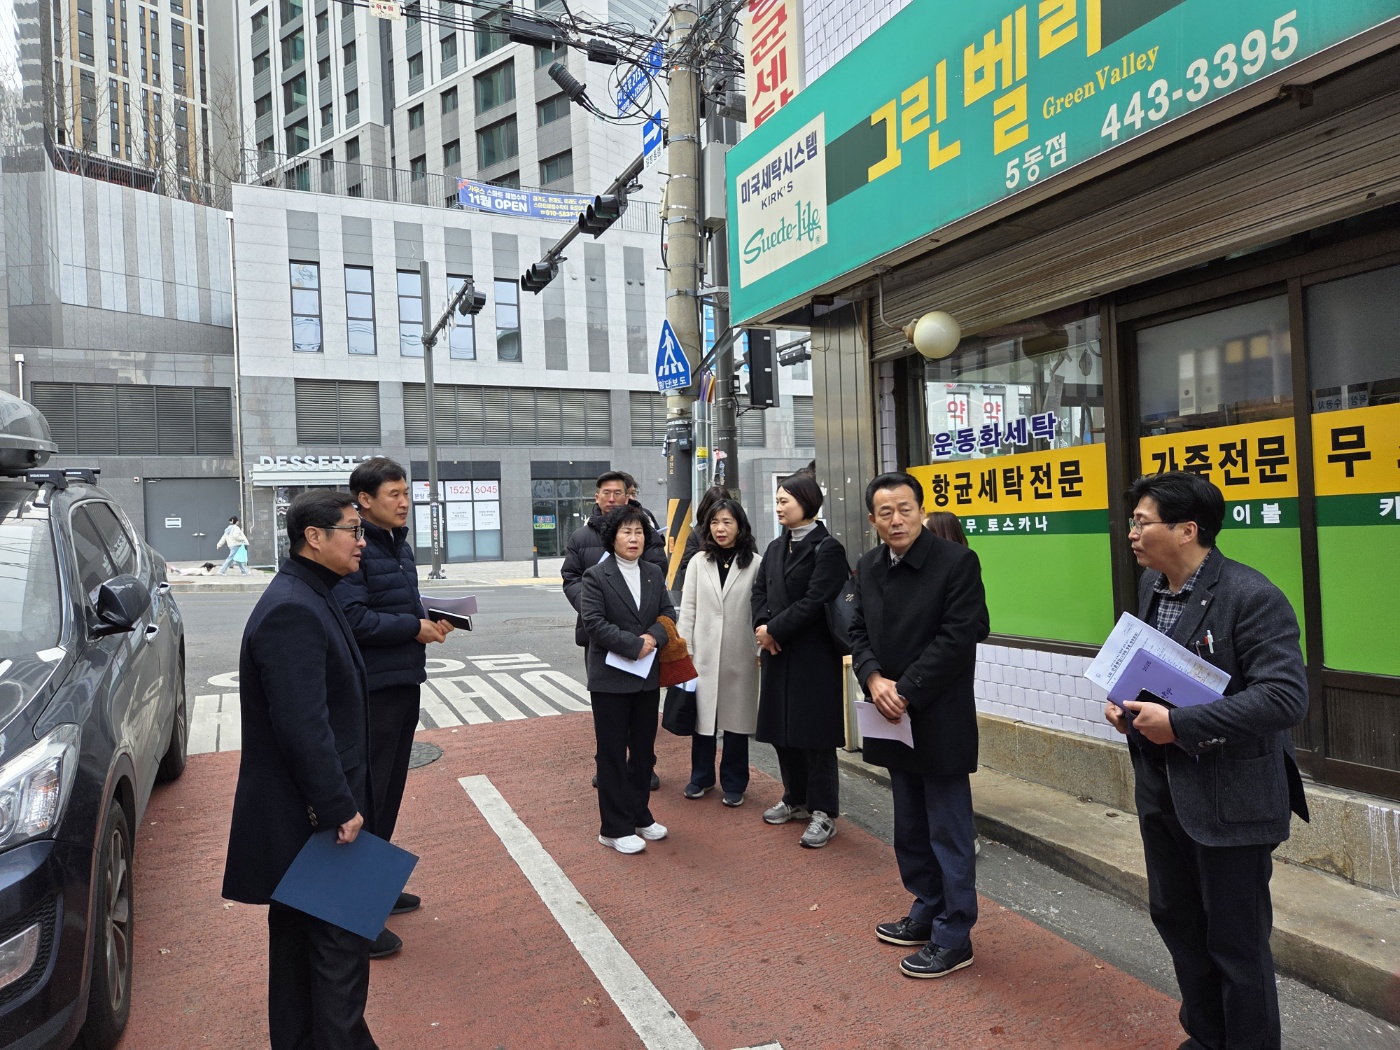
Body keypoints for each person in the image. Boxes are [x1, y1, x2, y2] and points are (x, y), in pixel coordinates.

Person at [1105, 471, 1309, 1050]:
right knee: (1178, 921)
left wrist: (1180, 725)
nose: (1132, 534)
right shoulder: (1153, 586)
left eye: (1142, 523)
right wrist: (1127, 706)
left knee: (1236, 944)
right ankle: (1208, 1036)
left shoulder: (1251, 595)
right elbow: (1156, 670)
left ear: (1187, 530)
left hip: (1231, 799)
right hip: (1163, 786)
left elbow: (1284, 697)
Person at [222, 490, 377, 1050]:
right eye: (352, 531)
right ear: (314, 537)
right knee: (338, 951)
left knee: (300, 949)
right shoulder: (293, 608)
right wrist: (338, 806)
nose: (361, 543)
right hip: (314, 817)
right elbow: (302, 725)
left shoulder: (313, 592)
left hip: (309, 812)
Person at [849, 472, 989, 980]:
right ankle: (926, 908)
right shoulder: (868, 566)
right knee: (909, 826)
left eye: (905, 509)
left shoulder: (956, 562)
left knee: (949, 830)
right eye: (885, 512)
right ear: (873, 520)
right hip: (890, 716)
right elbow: (856, 629)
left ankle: (955, 935)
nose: (897, 520)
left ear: (921, 511)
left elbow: (958, 638)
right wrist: (873, 677)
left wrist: (904, 689)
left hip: (937, 715)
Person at [334, 457, 453, 960]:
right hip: (371, 690)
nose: (405, 502)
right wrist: (412, 627)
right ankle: (351, 919)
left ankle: (375, 887)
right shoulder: (356, 548)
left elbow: (395, 605)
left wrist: (428, 617)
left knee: (388, 792)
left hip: (403, 681)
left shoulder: (397, 545)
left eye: (406, 493)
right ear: (364, 501)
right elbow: (353, 617)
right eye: (394, 494)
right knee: (365, 796)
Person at [751, 472, 849, 848]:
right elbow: (759, 592)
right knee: (783, 731)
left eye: (784, 501)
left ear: (806, 502)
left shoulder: (828, 549)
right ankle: (796, 798)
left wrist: (773, 630)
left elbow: (814, 600)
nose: (778, 507)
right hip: (777, 653)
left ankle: (824, 812)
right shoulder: (776, 547)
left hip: (813, 655)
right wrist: (761, 626)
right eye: (777, 500)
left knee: (815, 736)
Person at [579, 504, 677, 854]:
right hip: (610, 679)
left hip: (645, 676)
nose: (633, 539)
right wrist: (633, 645)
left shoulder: (653, 572)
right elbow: (593, 622)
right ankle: (614, 827)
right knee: (611, 753)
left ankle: (639, 815)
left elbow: (667, 612)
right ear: (613, 537)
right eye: (626, 532)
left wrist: (652, 637)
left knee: (644, 751)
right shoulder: (596, 575)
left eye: (639, 532)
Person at [563, 470, 668, 791]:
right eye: (605, 493)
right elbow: (571, 578)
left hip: (643, 636)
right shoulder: (581, 537)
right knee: (609, 709)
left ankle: (643, 766)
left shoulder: (643, 528)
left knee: (643, 713)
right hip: (601, 635)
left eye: (617, 493)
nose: (611, 499)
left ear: (628, 495)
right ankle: (609, 765)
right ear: (596, 497)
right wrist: (593, 605)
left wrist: (649, 636)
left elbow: (658, 572)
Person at [677, 498, 762, 807]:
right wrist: (685, 648)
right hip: (703, 652)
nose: (720, 528)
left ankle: (734, 782)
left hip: (741, 653)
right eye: (714, 522)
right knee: (703, 719)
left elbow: (761, 610)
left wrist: (759, 648)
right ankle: (701, 777)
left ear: (740, 525)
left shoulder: (756, 563)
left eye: (727, 522)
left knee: (737, 721)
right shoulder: (699, 562)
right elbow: (688, 608)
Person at [676, 485, 730, 585]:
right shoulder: (697, 535)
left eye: (726, 521)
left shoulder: (740, 533)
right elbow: (686, 569)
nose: (720, 528)